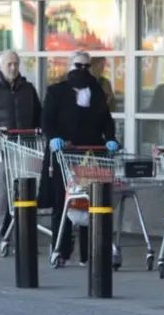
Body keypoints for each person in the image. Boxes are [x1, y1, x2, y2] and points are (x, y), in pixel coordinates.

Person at [40, 51, 118, 267]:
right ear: (69, 67)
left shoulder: (96, 92)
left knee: (88, 202)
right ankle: (61, 251)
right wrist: (54, 138)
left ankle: (87, 254)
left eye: (86, 66)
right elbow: (47, 120)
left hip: (90, 154)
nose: (82, 70)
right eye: (78, 65)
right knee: (62, 202)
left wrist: (111, 139)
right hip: (63, 153)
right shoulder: (56, 91)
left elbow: (106, 120)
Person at [0, 50, 42, 256]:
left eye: (16, 64)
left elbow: (38, 115)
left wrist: (38, 132)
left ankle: (22, 235)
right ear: (0, 68)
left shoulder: (28, 90)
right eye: (9, 65)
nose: (13, 68)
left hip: (24, 147)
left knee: (25, 194)